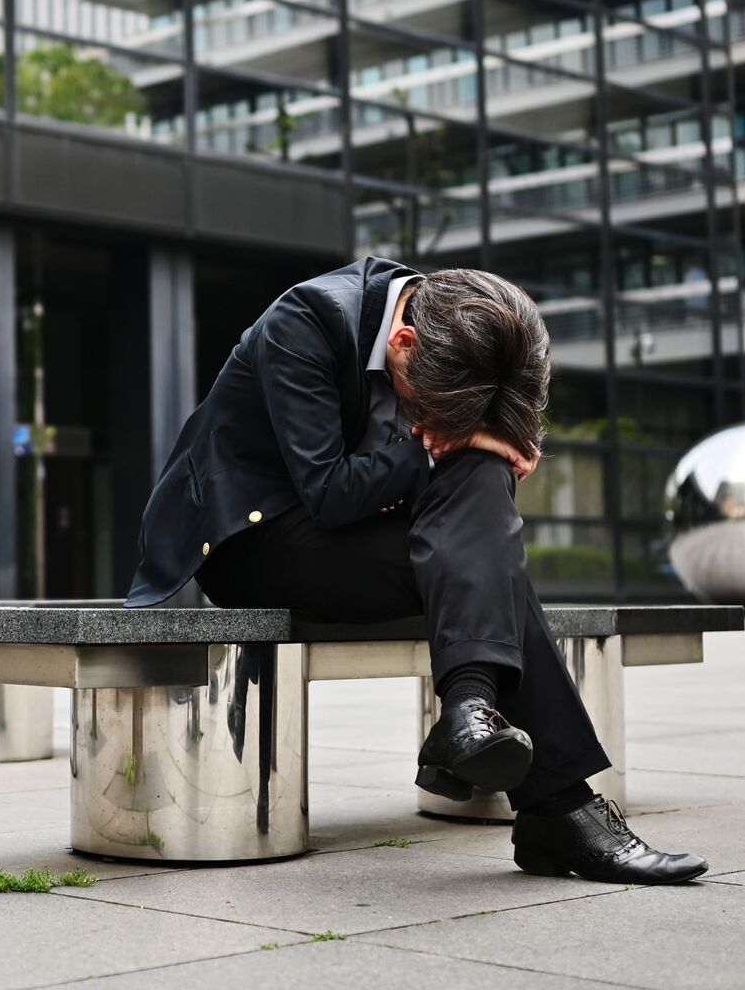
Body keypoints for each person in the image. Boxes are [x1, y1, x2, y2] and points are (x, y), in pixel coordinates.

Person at [128, 257, 707, 884]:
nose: (428, 421)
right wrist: (444, 445)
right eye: (427, 407)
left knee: (481, 499)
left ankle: (471, 714)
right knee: (487, 554)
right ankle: (553, 803)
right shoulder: (306, 322)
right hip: (252, 540)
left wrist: (475, 448)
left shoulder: (457, 330)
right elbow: (326, 491)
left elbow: (454, 503)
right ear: (401, 344)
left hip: (357, 541)